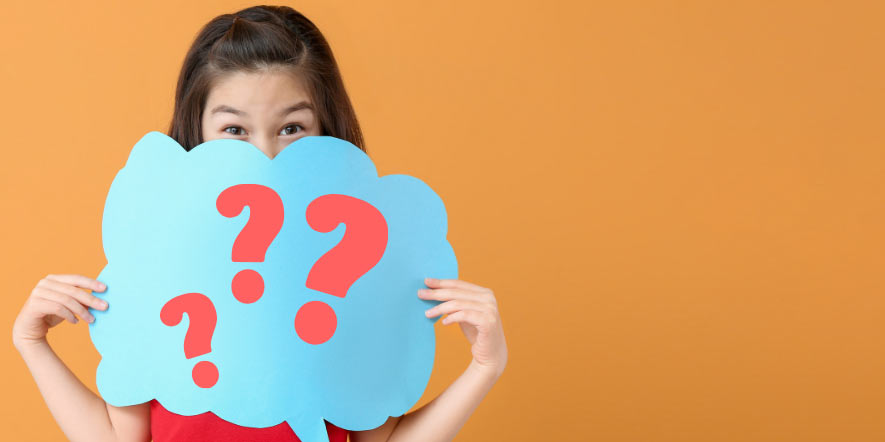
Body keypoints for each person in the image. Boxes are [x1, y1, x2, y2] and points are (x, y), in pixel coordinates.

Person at [11, 5, 508, 442]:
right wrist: (32, 344)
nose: (265, 155)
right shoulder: (156, 262)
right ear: (197, 134)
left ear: (326, 132)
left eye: (291, 128)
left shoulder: (358, 273)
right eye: (234, 130)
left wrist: (484, 369)